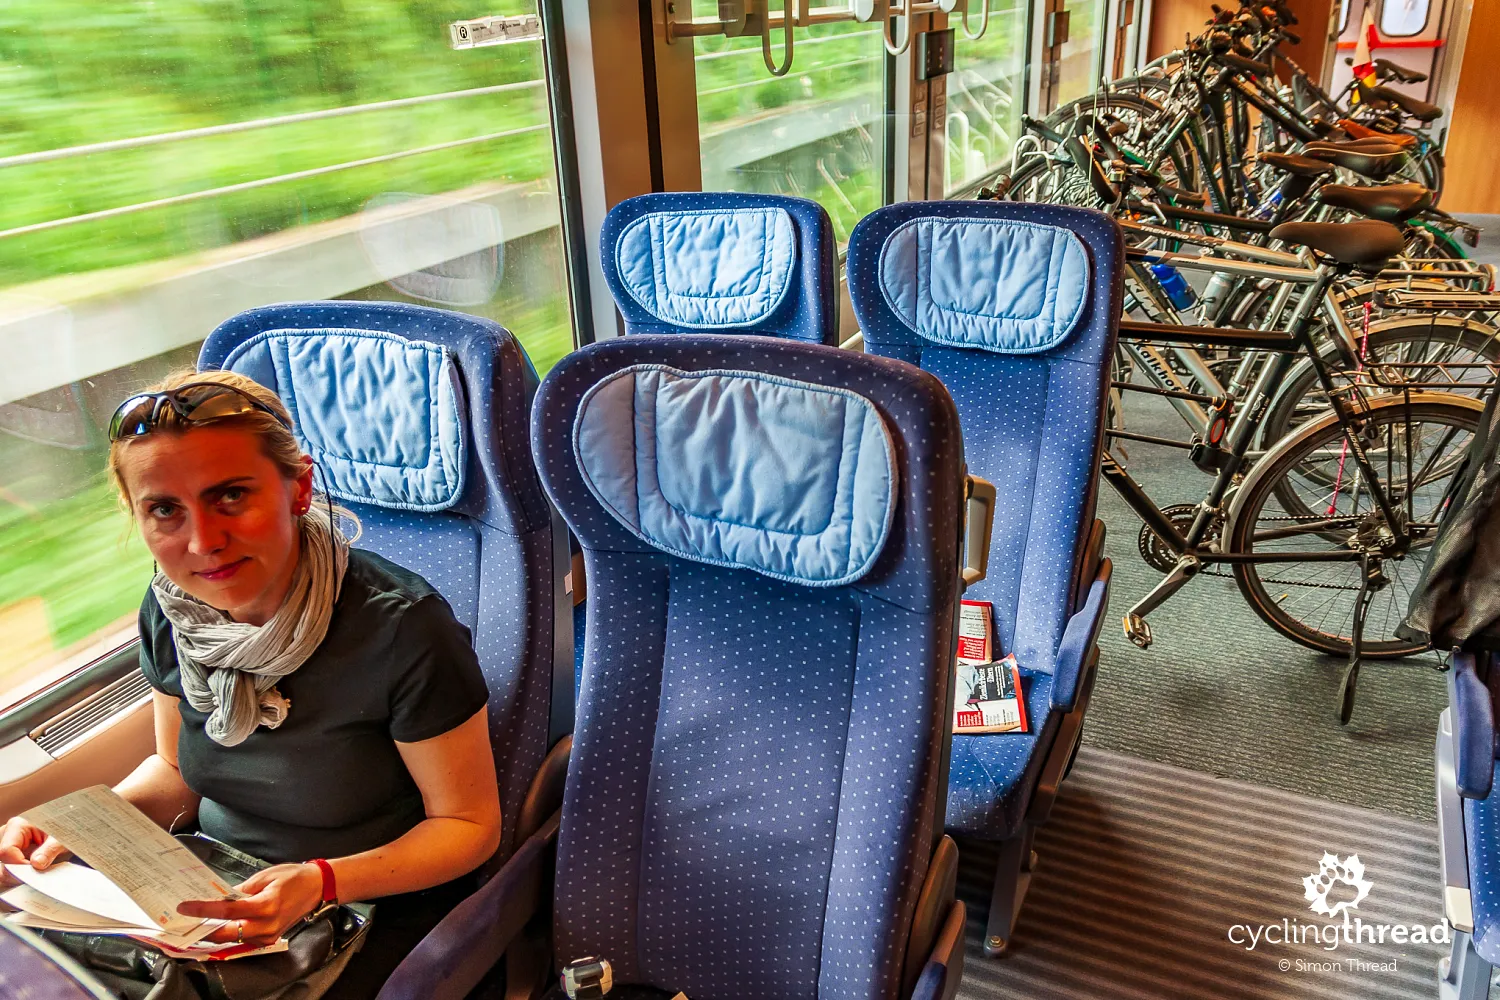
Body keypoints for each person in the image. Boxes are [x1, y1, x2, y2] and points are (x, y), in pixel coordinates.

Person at [0, 370, 501, 999]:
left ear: (298, 488)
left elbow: (468, 827)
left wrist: (318, 880)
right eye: (164, 510)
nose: (203, 542)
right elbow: (174, 772)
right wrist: (73, 827)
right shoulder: (173, 610)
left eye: (231, 495)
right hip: (208, 885)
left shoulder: (403, 630)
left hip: (367, 905)